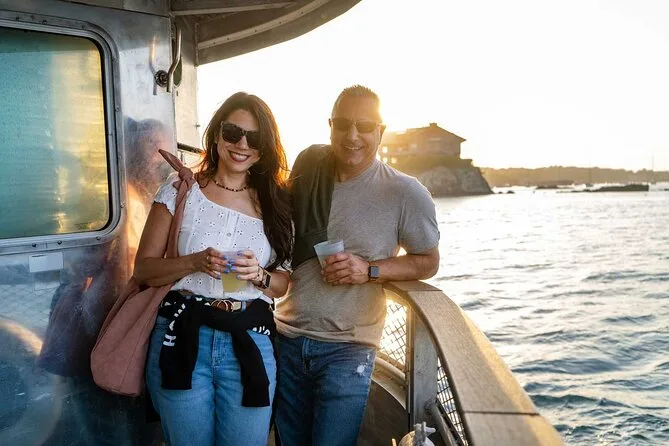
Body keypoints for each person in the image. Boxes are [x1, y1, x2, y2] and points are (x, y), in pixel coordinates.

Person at [274, 85, 441, 445]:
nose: (352, 136)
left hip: (348, 350)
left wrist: (369, 270)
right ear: (330, 126)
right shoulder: (307, 171)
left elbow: (428, 262)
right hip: (286, 338)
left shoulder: (405, 192)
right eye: (343, 124)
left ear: (381, 131)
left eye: (364, 126)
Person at [134, 92, 292, 446]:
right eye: (233, 132)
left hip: (249, 337)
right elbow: (143, 270)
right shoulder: (180, 189)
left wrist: (260, 275)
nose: (242, 144)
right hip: (182, 333)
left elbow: (282, 285)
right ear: (217, 133)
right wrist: (194, 262)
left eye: (254, 138)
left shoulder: (276, 203)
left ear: (265, 148)